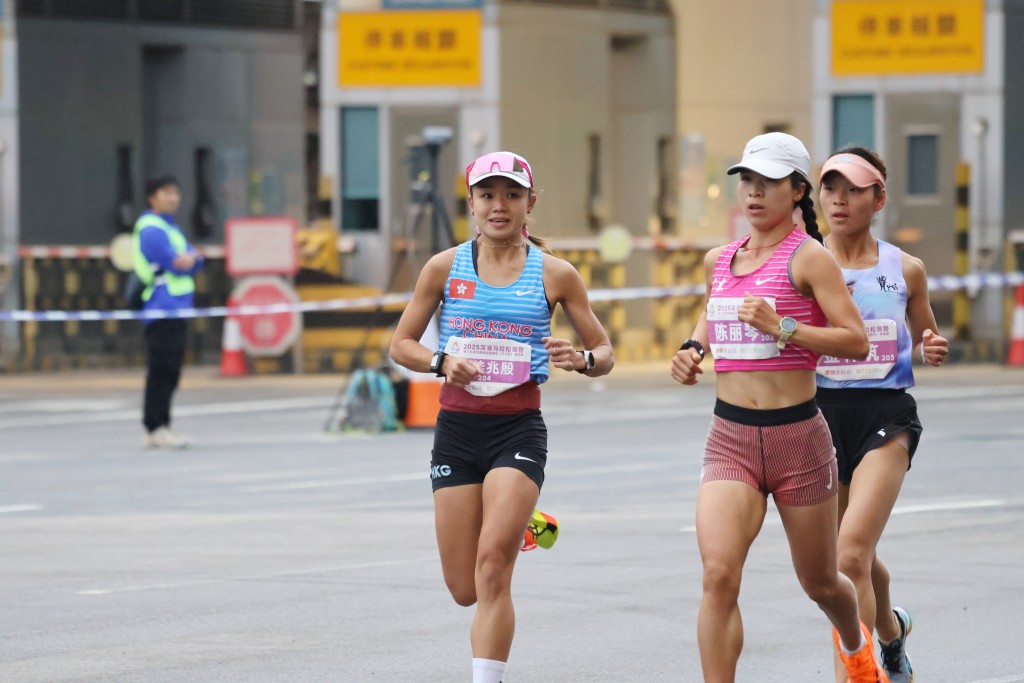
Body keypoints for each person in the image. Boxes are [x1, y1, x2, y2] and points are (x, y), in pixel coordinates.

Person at [669, 132, 890, 682]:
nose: (753, 193)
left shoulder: (810, 259)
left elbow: (855, 340)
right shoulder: (719, 259)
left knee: (820, 582)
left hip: (797, 439)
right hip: (731, 438)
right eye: (746, 180)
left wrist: (785, 327)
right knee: (718, 575)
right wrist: (695, 348)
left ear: (796, 191)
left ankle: (853, 642)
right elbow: (713, 313)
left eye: (767, 182)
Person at [389, 151, 613, 683]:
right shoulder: (443, 267)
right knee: (464, 587)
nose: (499, 206)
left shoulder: (557, 274)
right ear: (470, 203)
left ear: (529, 203)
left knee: (493, 569)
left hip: (518, 429)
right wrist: (441, 362)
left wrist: (580, 360)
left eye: (511, 195)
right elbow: (401, 345)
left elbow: (604, 351)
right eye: (487, 195)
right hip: (457, 431)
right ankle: (523, 527)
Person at [816, 147, 948, 682]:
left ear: (879, 198)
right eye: (830, 188)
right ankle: (890, 631)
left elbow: (927, 335)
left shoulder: (905, 269)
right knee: (854, 554)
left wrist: (933, 347)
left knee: (849, 555)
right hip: (818, 417)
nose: (839, 200)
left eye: (853, 190)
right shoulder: (803, 260)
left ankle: (857, 673)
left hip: (886, 417)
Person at [132, 175, 204, 449]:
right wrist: (188, 259)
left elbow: (194, 261)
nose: (174, 198)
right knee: (161, 370)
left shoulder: (170, 227)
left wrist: (191, 259)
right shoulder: (151, 229)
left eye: (176, 193)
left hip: (177, 308)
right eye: (167, 193)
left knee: (171, 370)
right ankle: (155, 426)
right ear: (153, 197)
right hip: (161, 308)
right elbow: (175, 262)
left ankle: (162, 425)